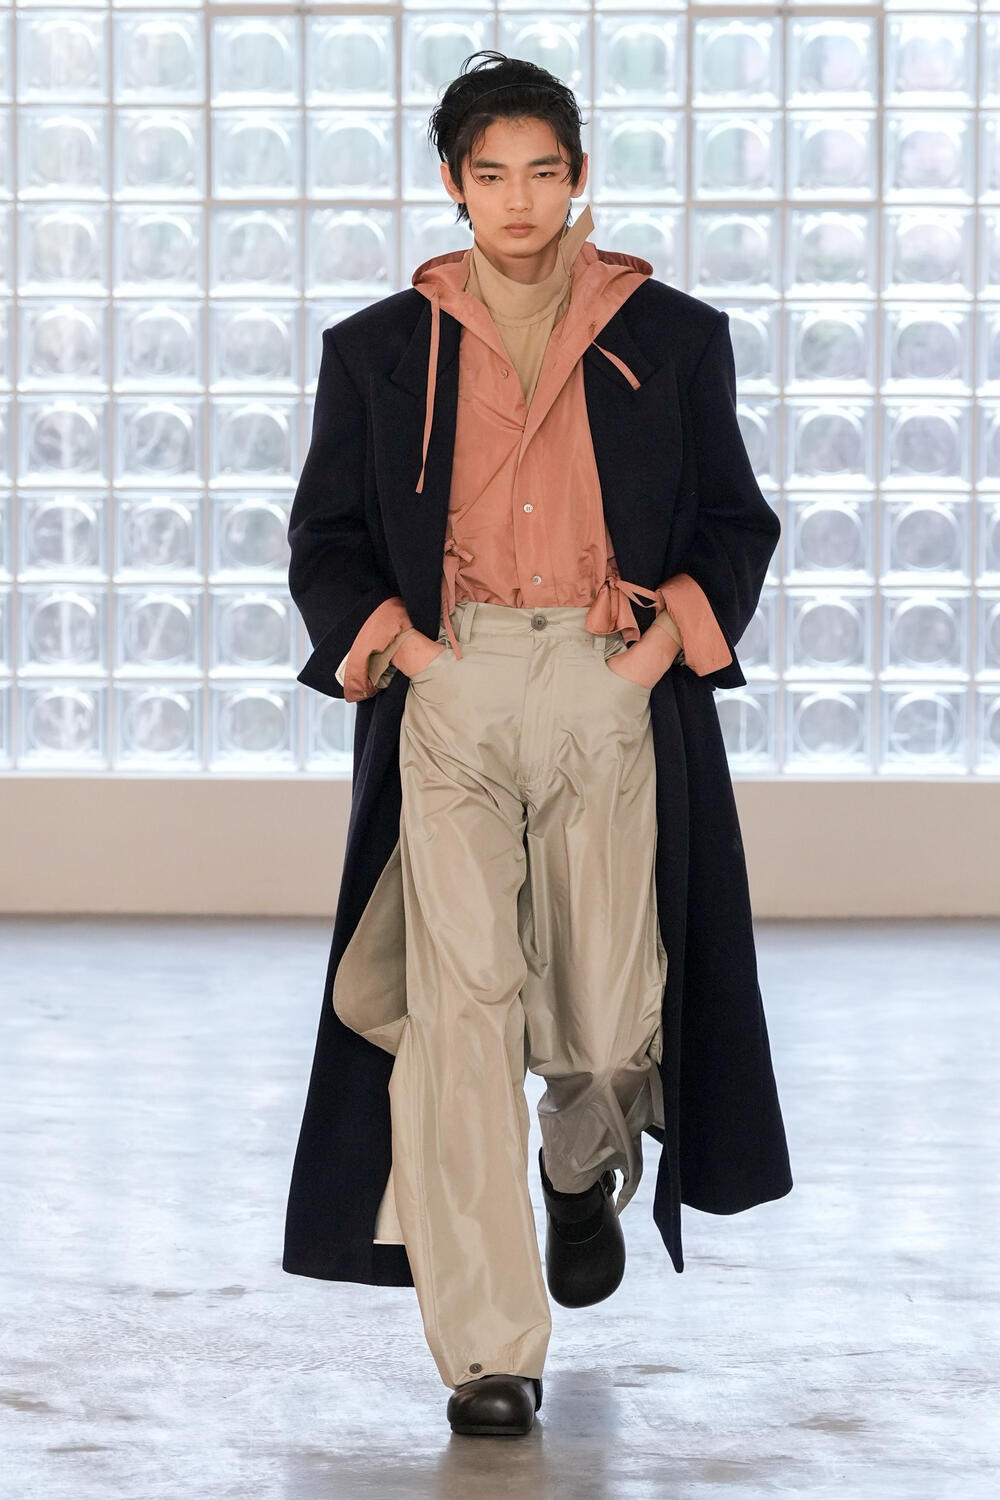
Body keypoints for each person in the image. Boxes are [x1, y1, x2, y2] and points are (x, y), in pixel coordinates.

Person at [283, 50, 793, 1438]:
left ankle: (581, 1164)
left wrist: (648, 659)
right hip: (452, 690)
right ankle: (491, 1352)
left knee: (615, 1019)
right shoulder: (379, 350)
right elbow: (325, 538)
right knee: (459, 1015)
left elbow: (735, 523)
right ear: (454, 185)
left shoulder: (672, 336)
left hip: (602, 679)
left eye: (544, 171)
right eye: (491, 173)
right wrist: (416, 657)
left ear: (578, 179)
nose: (519, 199)